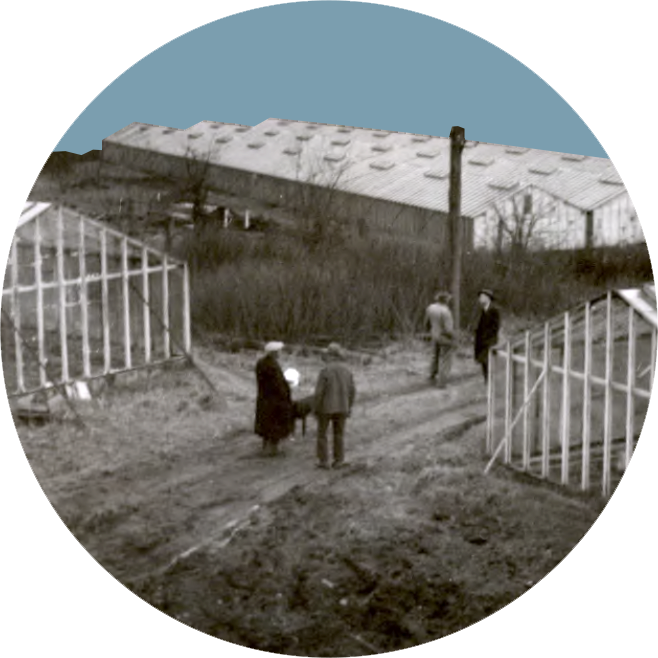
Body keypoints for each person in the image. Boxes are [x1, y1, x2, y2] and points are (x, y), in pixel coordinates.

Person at [313, 342, 356, 470]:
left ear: (330, 355)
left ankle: (324, 461)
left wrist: (316, 408)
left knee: (322, 434)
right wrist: (349, 406)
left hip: (326, 408)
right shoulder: (347, 371)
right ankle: (339, 460)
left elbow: (319, 393)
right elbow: (352, 391)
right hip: (343, 407)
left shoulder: (325, 371)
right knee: (339, 434)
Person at [255, 341, 294, 456]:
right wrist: (286, 393)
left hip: (264, 399)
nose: (280, 353)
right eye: (278, 351)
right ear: (274, 353)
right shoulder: (273, 365)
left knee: (265, 424)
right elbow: (277, 384)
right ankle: (272, 449)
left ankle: (266, 447)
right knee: (275, 424)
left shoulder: (260, 363)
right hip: (275, 400)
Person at [425, 291, 455, 388]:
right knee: (445, 359)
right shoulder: (446, 311)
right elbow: (448, 329)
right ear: (446, 300)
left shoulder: (430, 308)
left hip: (434, 335)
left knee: (434, 356)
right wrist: (454, 338)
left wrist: (429, 331)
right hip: (444, 337)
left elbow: (426, 322)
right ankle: (442, 382)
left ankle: (431, 376)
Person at [474, 289, 501, 383]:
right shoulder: (483, 310)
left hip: (490, 340)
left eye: (482, 297)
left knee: (487, 360)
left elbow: (495, 326)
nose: (480, 299)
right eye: (480, 297)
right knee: (483, 361)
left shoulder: (494, 310)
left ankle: (489, 381)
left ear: (488, 298)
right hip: (481, 340)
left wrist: (488, 336)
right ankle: (487, 380)